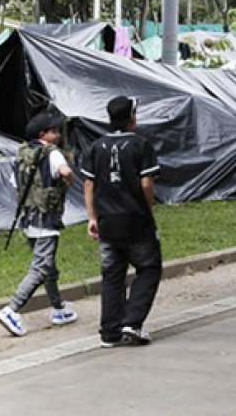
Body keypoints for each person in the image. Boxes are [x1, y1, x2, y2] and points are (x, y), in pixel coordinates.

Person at [80, 96, 161, 347]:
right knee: (149, 268)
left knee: (112, 275)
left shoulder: (96, 147)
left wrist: (92, 217)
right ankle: (132, 322)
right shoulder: (140, 145)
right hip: (136, 221)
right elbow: (146, 182)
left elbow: (89, 184)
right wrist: (146, 207)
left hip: (107, 223)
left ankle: (109, 332)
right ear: (131, 118)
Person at [0, 112, 77, 337]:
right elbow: (66, 171)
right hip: (46, 220)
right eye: (55, 131)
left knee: (48, 267)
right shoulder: (53, 154)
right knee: (41, 268)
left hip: (28, 219)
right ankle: (12, 309)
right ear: (44, 134)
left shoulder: (23, 153)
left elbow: (15, 184)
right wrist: (68, 181)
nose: (59, 135)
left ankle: (59, 309)